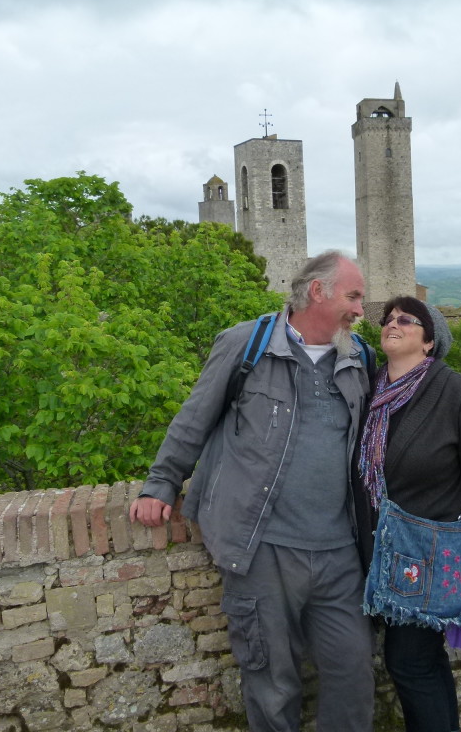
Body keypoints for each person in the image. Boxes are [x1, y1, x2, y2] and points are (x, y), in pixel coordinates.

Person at [130, 251, 375, 732]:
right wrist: (161, 483)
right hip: (262, 548)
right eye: (354, 296)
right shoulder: (249, 344)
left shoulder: (359, 357)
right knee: (271, 680)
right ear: (318, 292)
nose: (361, 310)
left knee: (353, 673)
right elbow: (195, 417)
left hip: (340, 552)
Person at [354, 295, 461, 732]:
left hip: (428, 552)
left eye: (406, 320)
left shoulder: (455, 392)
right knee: (419, 659)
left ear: (430, 343)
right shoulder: (370, 388)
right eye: (388, 319)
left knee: (410, 661)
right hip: (376, 547)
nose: (392, 324)